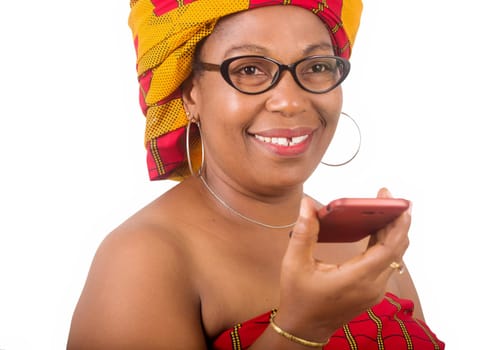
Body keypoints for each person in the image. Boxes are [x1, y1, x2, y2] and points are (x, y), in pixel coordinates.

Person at [67, 0, 445, 349]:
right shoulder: (143, 258)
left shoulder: (364, 246)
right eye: (248, 69)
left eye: (316, 67)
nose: (291, 101)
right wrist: (300, 329)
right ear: (190, 93)